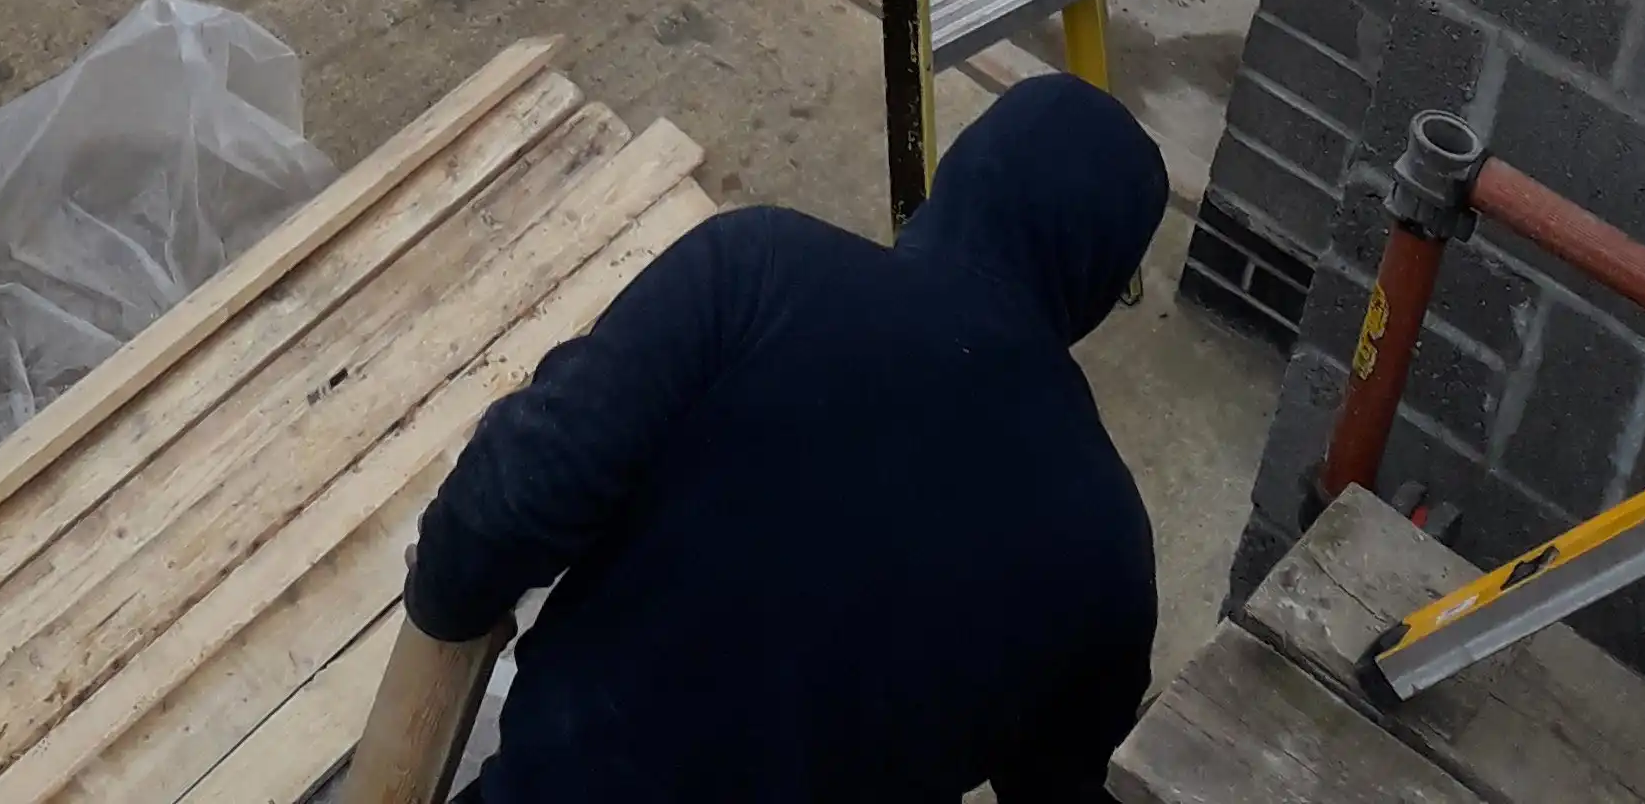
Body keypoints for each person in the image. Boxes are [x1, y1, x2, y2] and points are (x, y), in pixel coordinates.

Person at [400, 75, 1169, 802]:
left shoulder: (758, 272)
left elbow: (517, 496)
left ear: (960, 175)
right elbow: (1055, 783)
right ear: (1099, 286)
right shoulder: (1108, 545)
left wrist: (445, 597)